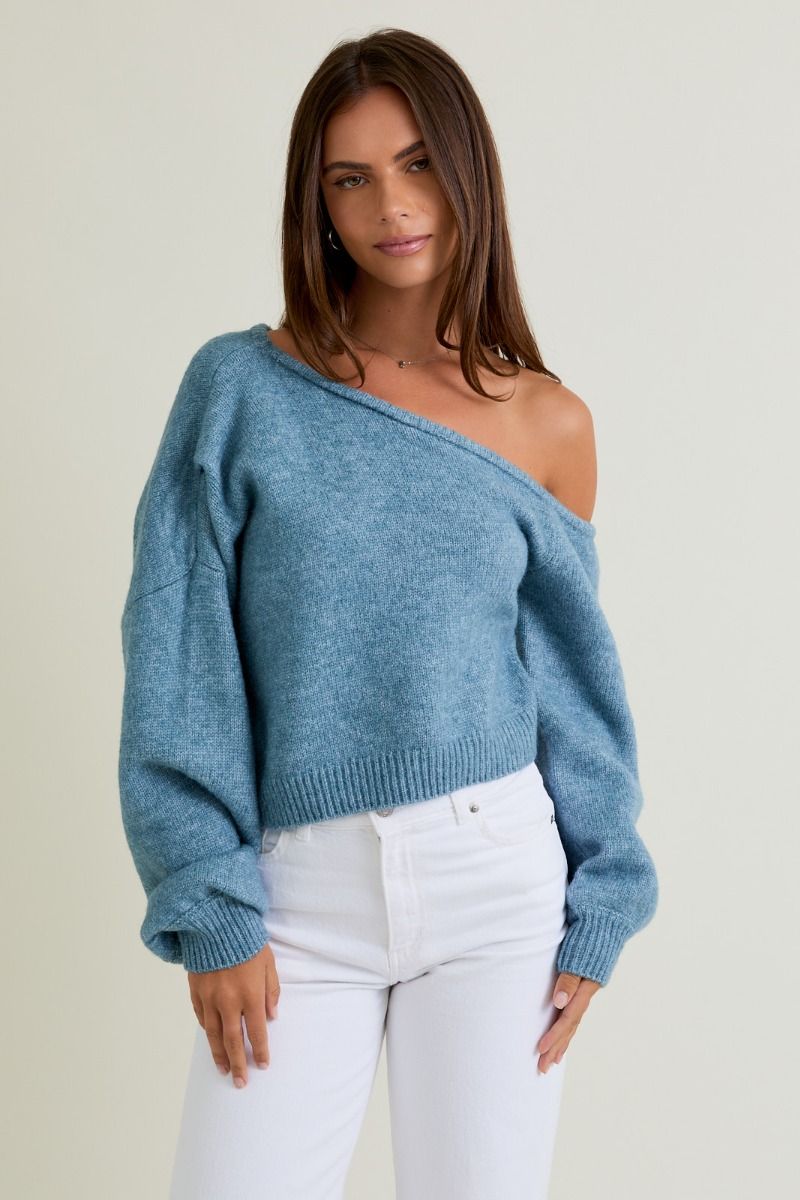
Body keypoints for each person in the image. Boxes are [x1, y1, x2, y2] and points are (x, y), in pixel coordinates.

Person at [117, 27, 659, 1200]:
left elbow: (573, 688)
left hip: (496, 883)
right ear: (314, 204)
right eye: (348, 178)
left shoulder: (547, 423)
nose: (390, 206)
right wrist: (207, 897)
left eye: (416, 164)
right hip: (293, 895)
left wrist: (606, 897)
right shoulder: (239, 390)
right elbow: (177, 650)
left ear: (466, 171)